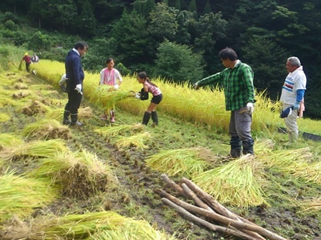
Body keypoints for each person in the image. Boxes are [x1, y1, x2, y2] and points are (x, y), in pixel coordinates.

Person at [193, 47, 255, 158]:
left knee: (243, 132)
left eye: (222, 60)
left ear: (227, 59)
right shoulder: (227, 71)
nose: (222, 63)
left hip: (243, 106)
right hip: (234, 106)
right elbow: (215, 77)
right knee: (234, 131)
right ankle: (234, 155)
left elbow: (249, 85)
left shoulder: (243, 69)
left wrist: (250, 101)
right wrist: (200, 83)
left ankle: (249, 158)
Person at [280, 56, 307, 144]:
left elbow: (300, 90)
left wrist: (297, 104)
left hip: (292, 103)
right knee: (288, 122)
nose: (286, 67)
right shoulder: (292, 73)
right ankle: (290, 140)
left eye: (288, 65)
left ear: (294, 66)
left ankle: (293, 142)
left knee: (291, 123)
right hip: (287, 101)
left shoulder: (299, 75)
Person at [62, 41, 89, 126]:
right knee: (76, 101)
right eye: (83, 51)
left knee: (70, 100)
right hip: (75, 82)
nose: (84, 53)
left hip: (69, 81)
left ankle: (65, 119)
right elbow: (76, 71)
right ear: (79, 49)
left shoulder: (69, 55)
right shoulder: (76, 57)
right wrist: (78, 83)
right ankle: (74, 120)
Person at [99, 57, 123, 123]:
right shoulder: (103, 71)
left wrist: (116, 86)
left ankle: (112, 117)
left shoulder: (116, 72)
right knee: (104, 103)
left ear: (113, 64)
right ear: (107, 64)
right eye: (109, 63)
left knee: (112, 104)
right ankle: (105, 115)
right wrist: (100, 88)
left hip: (112, 90)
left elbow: (121, 80)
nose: (110, 65)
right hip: (105, 89)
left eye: (112, 63)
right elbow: (101, 81)